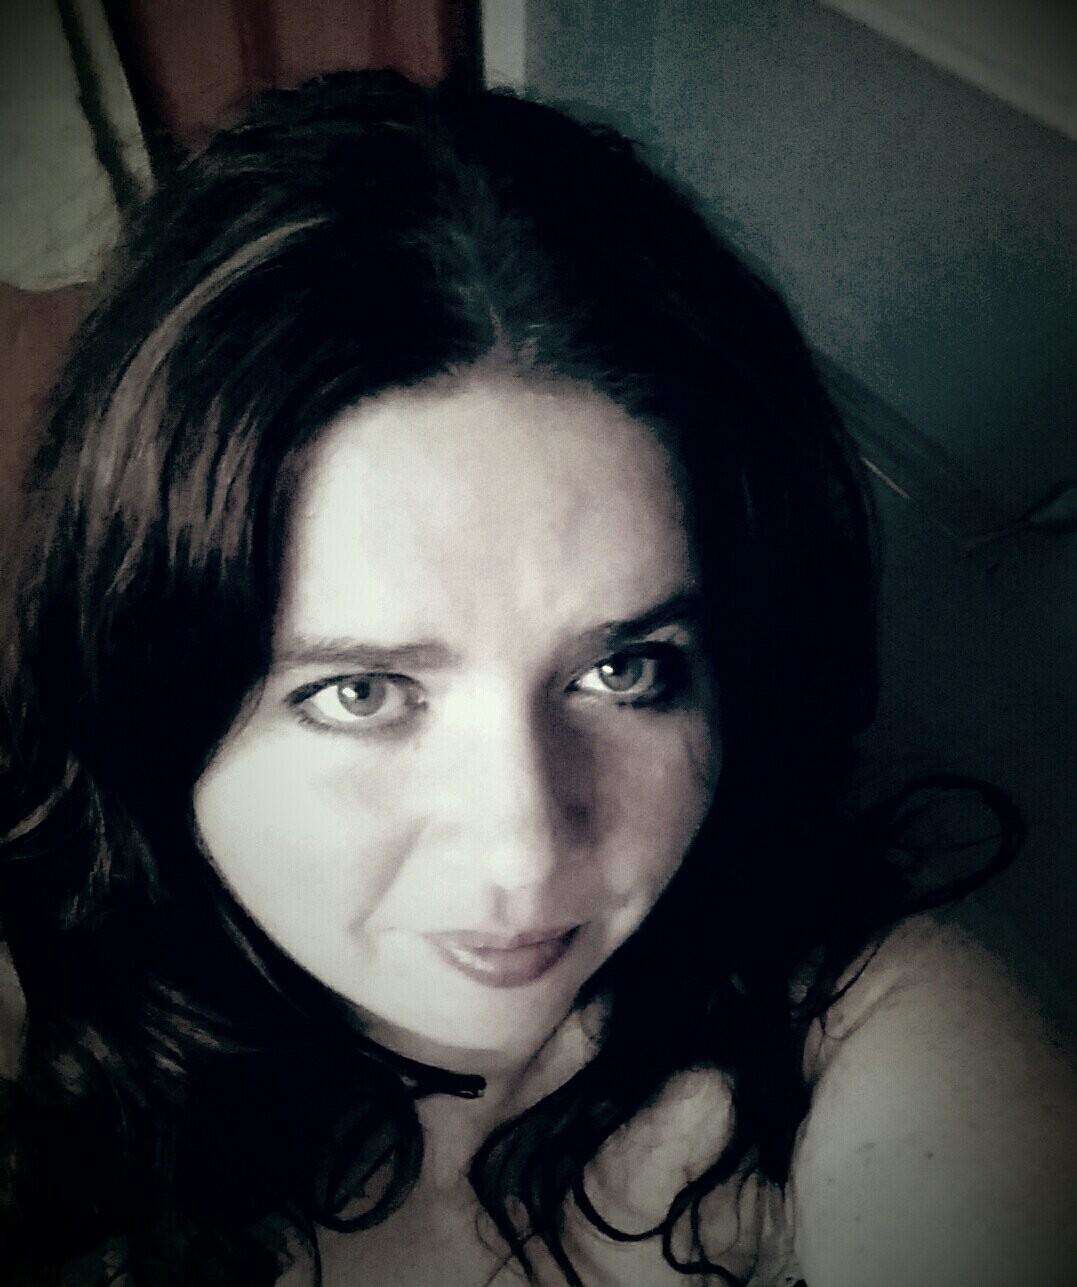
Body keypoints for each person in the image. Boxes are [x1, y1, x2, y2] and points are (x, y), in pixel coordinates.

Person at [0, 70, 1071, 1287]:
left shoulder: (863, 1036)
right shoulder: (35, 1020)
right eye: (363, 693)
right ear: (146, 687)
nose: (526, 853)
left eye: (625, 669)